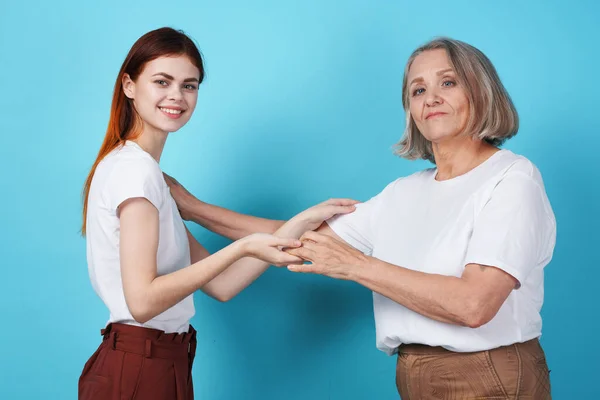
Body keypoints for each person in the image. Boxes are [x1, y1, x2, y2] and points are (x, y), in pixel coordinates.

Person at [165, 37, 556, 399]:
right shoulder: (405, 192)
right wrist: (191, 207)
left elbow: (474, 304)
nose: (431, 98)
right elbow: (296, 238)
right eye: (418, 90)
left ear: (481, 92)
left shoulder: (512, 179)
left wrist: (358, 266)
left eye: (448, 83)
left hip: (487, 374)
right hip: (414, 371)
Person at [78, 27, 357, 400]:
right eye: (162, 81)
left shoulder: (150, 176)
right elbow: (142, 302)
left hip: (160, 362)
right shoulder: (136, 171)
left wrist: (299, 223)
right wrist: (241, 248)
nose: (176, 96)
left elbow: (223, 285)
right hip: (140, 365)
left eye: (189, 85)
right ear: (129, 85)